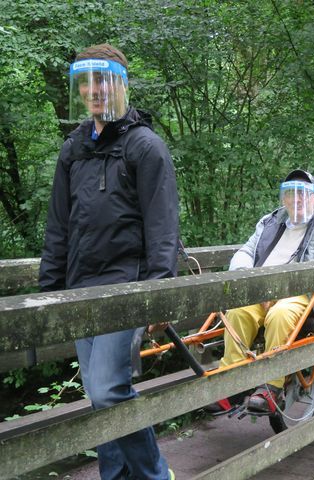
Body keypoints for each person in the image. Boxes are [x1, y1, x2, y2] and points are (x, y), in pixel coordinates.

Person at [38, 44, 178, 480]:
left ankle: (155, 475)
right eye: (87, 81)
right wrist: (50, 291)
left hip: (127, 284)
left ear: (120, 84)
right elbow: (58, 225)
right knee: (99, 395)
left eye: (104, 80)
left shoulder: (145, 146)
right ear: (80, 89)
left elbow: (162, 226)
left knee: (108, 388)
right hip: (82, 284)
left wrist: (159, 295)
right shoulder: (73, 149)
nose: (95, 90)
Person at [212, 170, 314, 413]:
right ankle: (233, 385)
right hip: (260, 289)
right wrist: (247, 281)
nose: (296, 200)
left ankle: (271, 386)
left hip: (306, 294)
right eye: (290, 195)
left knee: (281, 314)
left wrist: (279, 292)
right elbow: (245, 252)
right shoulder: (270, 221)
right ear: (283, 199)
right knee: (238, 311)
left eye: (303, 195)